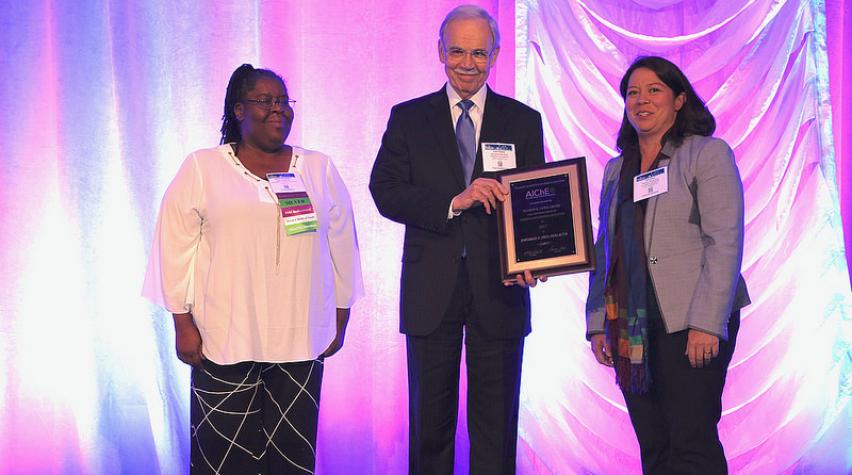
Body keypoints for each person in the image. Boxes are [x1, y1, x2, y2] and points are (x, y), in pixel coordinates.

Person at [142, 64, 363, 474]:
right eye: (265, 101)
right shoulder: (203, 168)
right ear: (239, 109)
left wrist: (342, 314)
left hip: (299, 338)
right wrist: (182, 323)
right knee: (222, 459)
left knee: (292, 459)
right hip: (224, 338)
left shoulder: (317, 168)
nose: (277, 109)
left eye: (283, 100)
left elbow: (342, 245)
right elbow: (173, 248)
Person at [369, 5, 546, 474]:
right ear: (440, 52)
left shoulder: (523, 120)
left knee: (496, 427)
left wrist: (539, 254)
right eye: (458, 52)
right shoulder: (409, 118)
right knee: (429, 425)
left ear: (497, 55)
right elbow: (384, 191)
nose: (468, 63)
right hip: (431, 291)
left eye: (479, 53)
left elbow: (534, 202)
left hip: (502, 288)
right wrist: (455, 200)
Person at [585, 56, 751, 474]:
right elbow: (604, 248)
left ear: (679, 100)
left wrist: (708, 323)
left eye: (654, 90)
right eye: (632, 92)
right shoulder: (616, 168)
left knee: (691, 444)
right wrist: (596, 322)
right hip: (631, 326)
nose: (641, 100)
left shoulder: (706, 154)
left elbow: (724, 241)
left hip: (692, 321)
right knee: (654, 446)